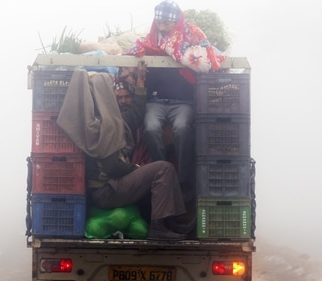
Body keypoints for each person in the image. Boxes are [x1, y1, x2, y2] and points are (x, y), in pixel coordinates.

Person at [57, 60, 194, 240]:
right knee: (164, 169)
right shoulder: (104, 127)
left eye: (125, 97)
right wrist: (136, 168)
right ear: (106, 95)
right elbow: (113, 167)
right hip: (106, 191)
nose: (121, 101)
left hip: (107, 190)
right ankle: (158, 227)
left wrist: (141, 81)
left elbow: (135, 114)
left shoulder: (103, 122)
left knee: (155, 176)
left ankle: (169, 221)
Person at [124, 0, 226, 202]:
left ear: (176, 20)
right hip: (156, 101)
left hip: (183, 102)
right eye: (159, 22)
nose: (162, 26)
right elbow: (135, 52)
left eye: (166, 23)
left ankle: (182, 179)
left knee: (181, 127)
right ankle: (164, 173)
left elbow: (205, 56)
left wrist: (184, 55)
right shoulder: (151, 39)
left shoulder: (191, 35)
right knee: (151, 128)